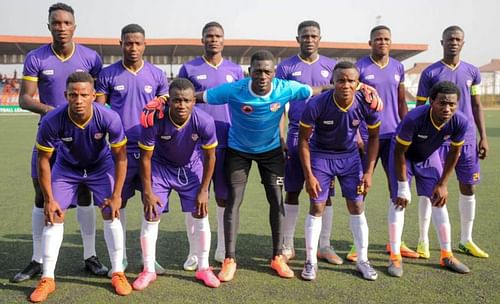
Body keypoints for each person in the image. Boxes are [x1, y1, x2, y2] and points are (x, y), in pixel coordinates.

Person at [13, 2, 105, 283]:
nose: (61, 28)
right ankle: (37, 259)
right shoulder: (35, 58)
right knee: (41, 194)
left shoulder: (91, 58)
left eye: (66, 23)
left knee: (85, 193)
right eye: (56, 23)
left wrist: (93, 121)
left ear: (74, 27)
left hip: (85, 137)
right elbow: (25, 98)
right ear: (49, 26)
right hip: (50, 135)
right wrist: (53, 113)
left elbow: (99, 96)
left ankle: (89, 255)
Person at [29, 72, 131, 302]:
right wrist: (48, 198)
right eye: (73, 95)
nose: (78, 100)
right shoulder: (52, 120)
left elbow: (121, 158)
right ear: (65, 95)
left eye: (84, 94)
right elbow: (43, 160)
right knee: (54, 215)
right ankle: (47, 278)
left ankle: (118, 272)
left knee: (111, 212)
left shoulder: (109, 117)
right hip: (67, 168)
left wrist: (117, 195)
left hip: (99, 165)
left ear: (93, 96)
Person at [95, 23, 169, 276]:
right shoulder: (108, 74)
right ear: (121, 44)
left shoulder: (158, 75)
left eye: (138, 43)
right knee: (117, 204)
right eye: (128, 43)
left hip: (151, 152)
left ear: (145, 45)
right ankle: (122, 257)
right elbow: (100, 109)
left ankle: (150, 259)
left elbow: (164, 110)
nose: (133, 47)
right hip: (120, 152)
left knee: (152, 206)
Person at [134, 78, 220, 289]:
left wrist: (204, 190)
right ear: (168, 101)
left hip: (191, 168)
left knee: (201, 214)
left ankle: (203, 267)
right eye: (177, 100)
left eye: (187, 101)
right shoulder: (153, 119)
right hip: (160, 169)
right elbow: (145, 158)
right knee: (151, 213)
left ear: (194, 101)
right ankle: (148, 269)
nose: (182, 105)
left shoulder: (204, 121)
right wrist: (147, 191)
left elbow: (210, 158)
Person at [298, 61, 380, 281]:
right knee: (317, 205)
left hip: (350, 158)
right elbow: (304, 140)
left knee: (357, 204)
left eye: (350, 81)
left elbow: (374, 137)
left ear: (357, 83)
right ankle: (310, 262)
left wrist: (369, 171)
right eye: (341, 80)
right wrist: (309, 175)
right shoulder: (317, 104)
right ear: (332, 82)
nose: (345, 85)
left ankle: (362, 260)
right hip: (321, 156)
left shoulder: (366, 104)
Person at [415, 25, 489, 259]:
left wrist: (483, 136)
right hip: (436, 140)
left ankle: (466, 239)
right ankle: (423, 240)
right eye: (449, 39)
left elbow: (477, 105)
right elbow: (419, 108)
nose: (453, 42)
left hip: (465, 140)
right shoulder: (430, 73)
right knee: (431, 189)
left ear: (463, 43)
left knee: (468, 186)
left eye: (457, 39)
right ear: (442, 42)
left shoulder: (472, 72)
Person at [177, 21, 244, 269]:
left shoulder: (236, 70)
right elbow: (179, 101)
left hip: (227, 141)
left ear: (223, 40)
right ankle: (195, 252)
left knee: (223, 197)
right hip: (194, 143)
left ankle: (222, 249)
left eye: (217, 36)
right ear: (202, 40)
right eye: (209, 36)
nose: (213, 39)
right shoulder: (189, 68)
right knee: (195, 197)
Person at [276, 20, 342, 265]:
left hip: (324, 137)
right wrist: (280, 136)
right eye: (305, 36)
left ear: (320, 39)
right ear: (298, 39)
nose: (310, 39)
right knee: (292, 190)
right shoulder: (285, 67)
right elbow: (279, 105)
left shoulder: (331, 66)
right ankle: (288, 244)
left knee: (326, 193)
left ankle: (324, 245)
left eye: (314, 35)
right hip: (295, 133)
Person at [389, 81, 471, 277]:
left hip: (428, 157)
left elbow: (454, 152)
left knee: (439, 201)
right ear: (431, 101)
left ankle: (446, 255)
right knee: (399, 202)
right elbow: (400, 152)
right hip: (404, 157)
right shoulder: (414, 118)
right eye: (442, 103)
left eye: (452, 104)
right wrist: (402, 186)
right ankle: (394, 256)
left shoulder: (460, 121)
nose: (447, 108)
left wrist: (443, 184)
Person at [354, 25, 418, 262]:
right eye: (378, 39)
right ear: (370, 43)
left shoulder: (398, 67)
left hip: (393, 136)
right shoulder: (360, 67)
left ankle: (396, 242)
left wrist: (406, 130)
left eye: (386, 39)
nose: (382, 42)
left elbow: (402, 102)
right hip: (366, 136)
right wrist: (356, 134)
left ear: (391, 42)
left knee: (398, 189)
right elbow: (354, 104)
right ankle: (356, 243)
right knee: (361, 188)